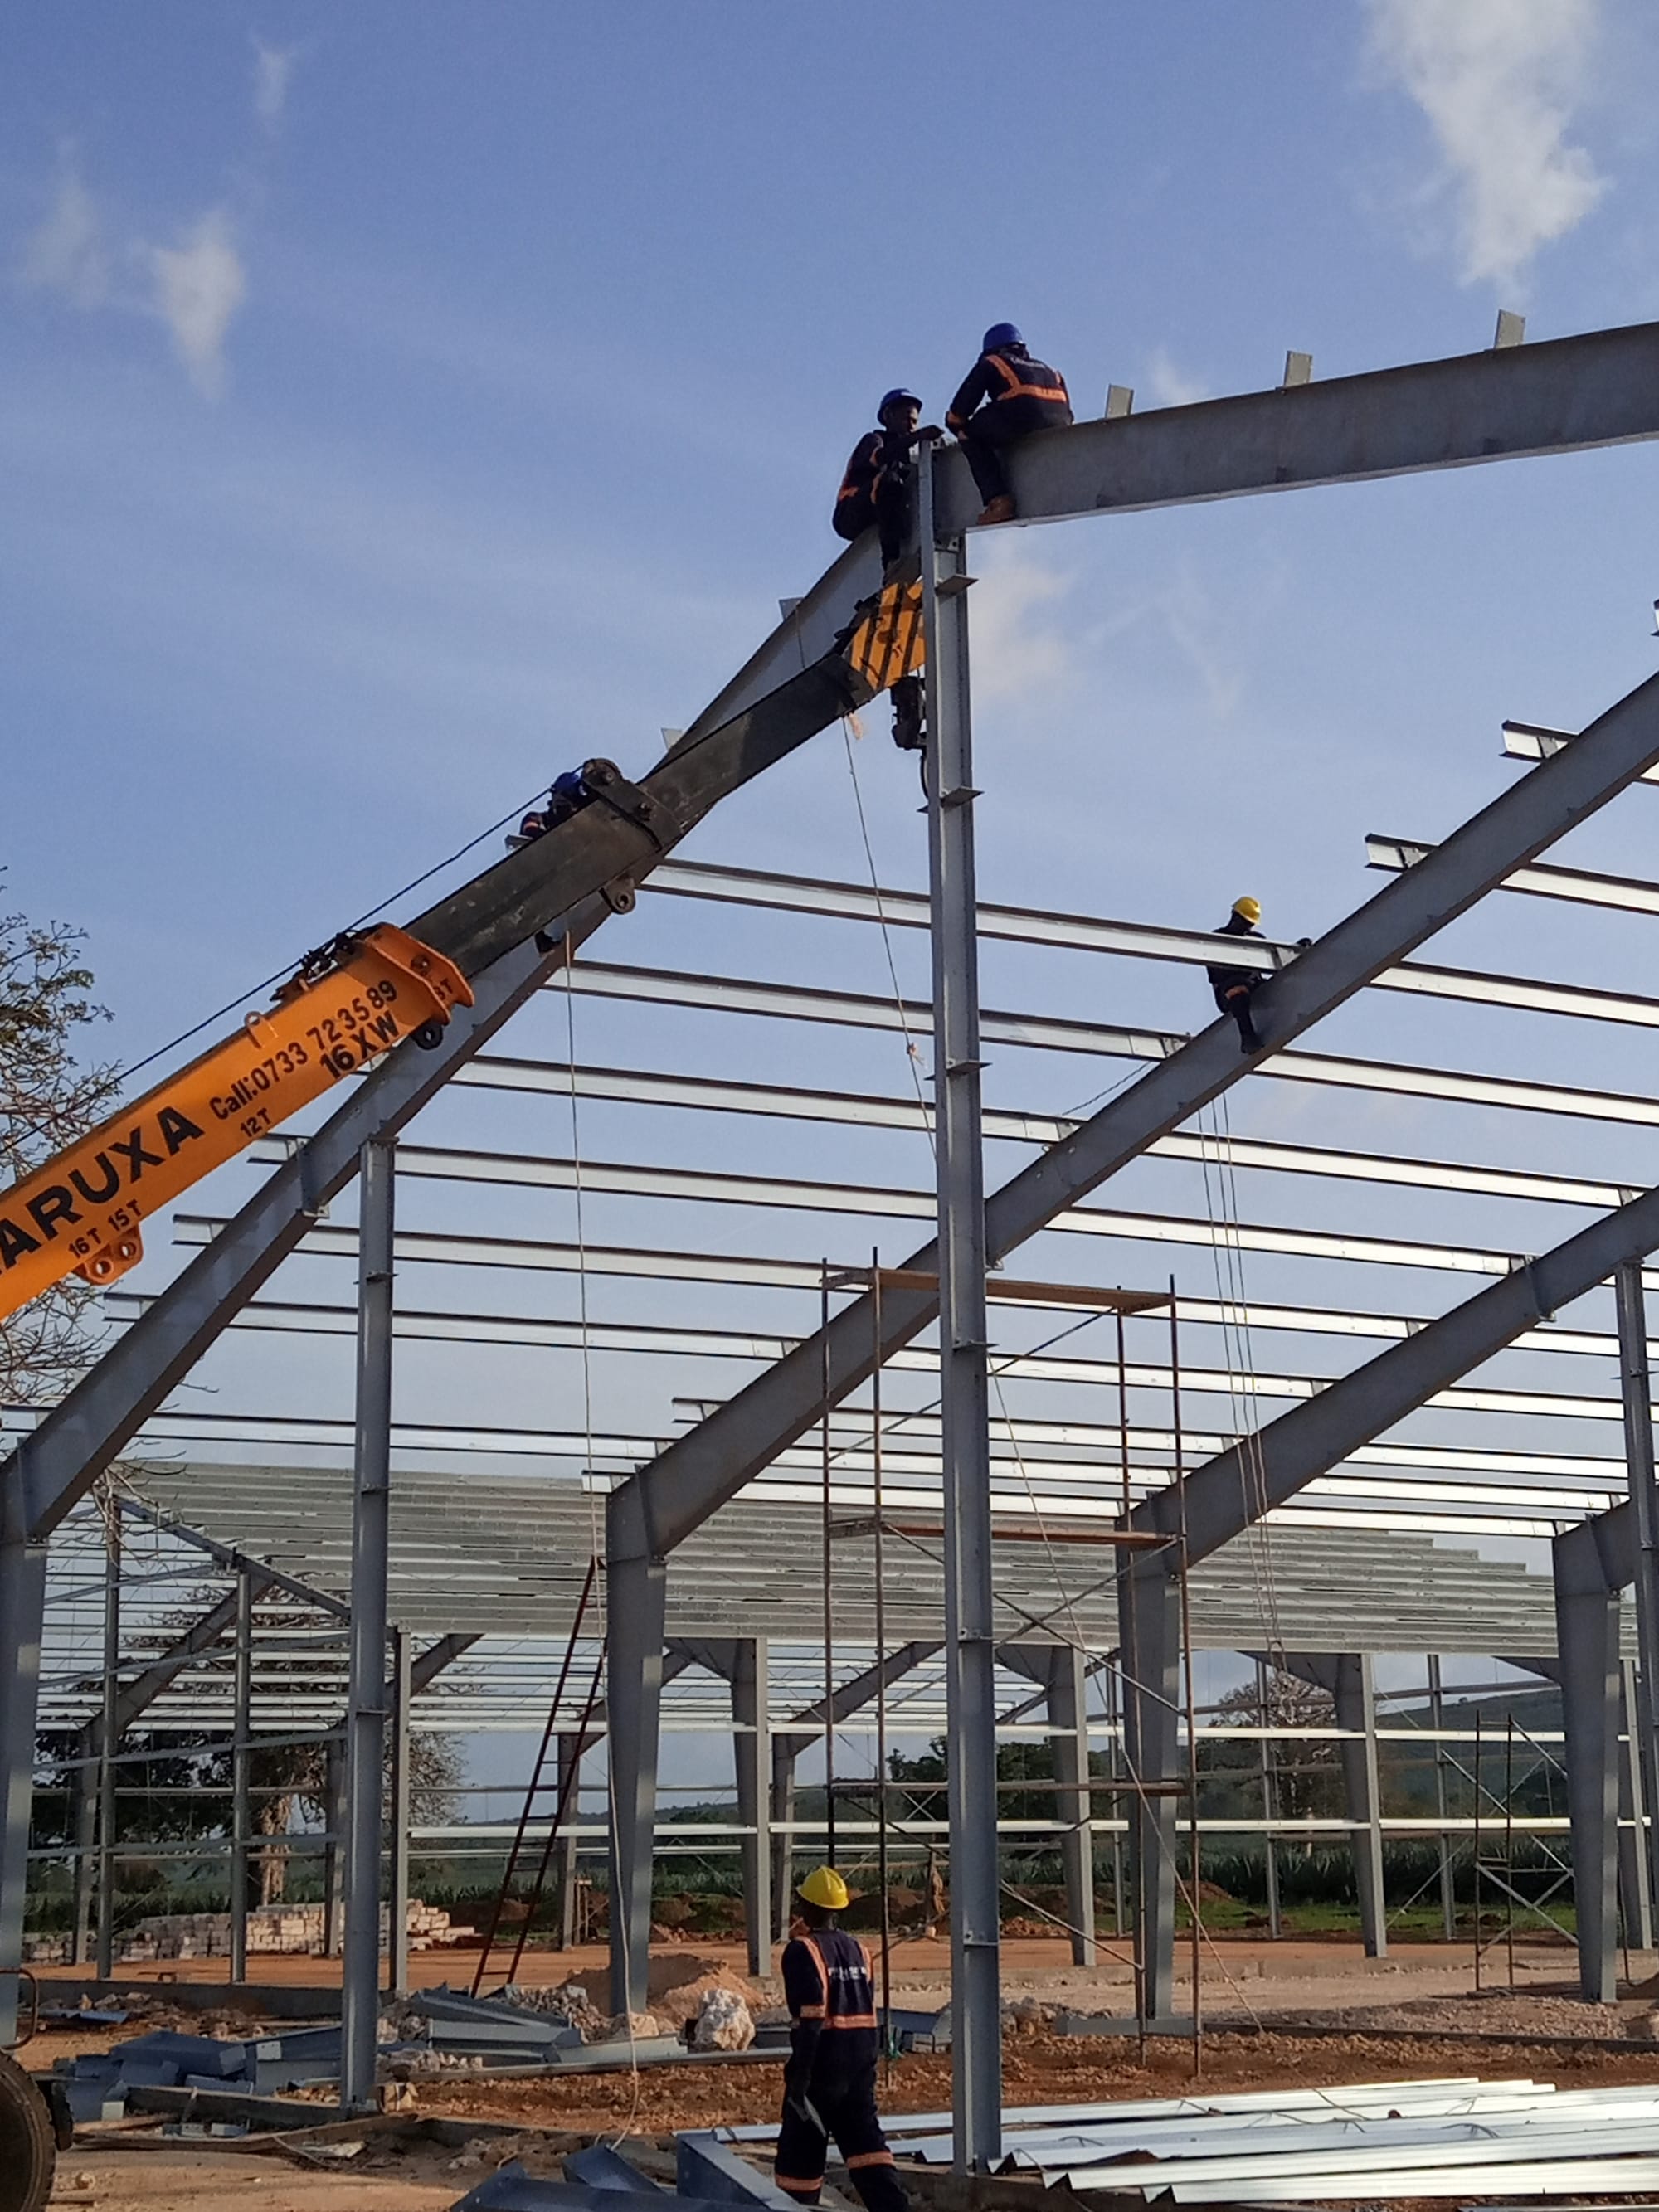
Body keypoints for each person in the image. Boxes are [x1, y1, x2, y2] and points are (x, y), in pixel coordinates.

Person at [774, 1867, 907, 2212]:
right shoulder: (861, 1951)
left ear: (806, 1907)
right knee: (866, 2145)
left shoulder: (802, 1950)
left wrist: (800, 2074)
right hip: (861, 2060)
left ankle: (795, 2206)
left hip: (824, 2061)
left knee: (800, 2152)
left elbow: (812, 2017)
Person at [946, 323, 1073, 525]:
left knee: (968, 434)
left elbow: (961, 409)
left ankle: (999, 501)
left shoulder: (993, 362)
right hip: (1061, 421)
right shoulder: (1048, 369)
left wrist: (954, 423)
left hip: (1022, 415)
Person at [834, 389, 937, 574]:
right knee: (889, 480)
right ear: (889, 415)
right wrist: (917, 437)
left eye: (915, 422)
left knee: (899, 481)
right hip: (849, 512)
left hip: (880, 507)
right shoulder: (874, 440)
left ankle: (896, 545)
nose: (911, 426)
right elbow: (879, 457)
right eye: (907, 419)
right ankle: (891, 560)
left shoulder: (909, 454)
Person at [1207, 896, 1267, 1053]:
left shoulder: (1256, 940)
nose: (1247, 928)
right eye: (1245, 923)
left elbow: (1270, 963)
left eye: (1250, 924)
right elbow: (1218, 976)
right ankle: (1247, 1037)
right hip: (1228, 992)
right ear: (1235, 917)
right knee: (1237, 985)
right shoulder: (1218, 939)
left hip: (1253, 985)